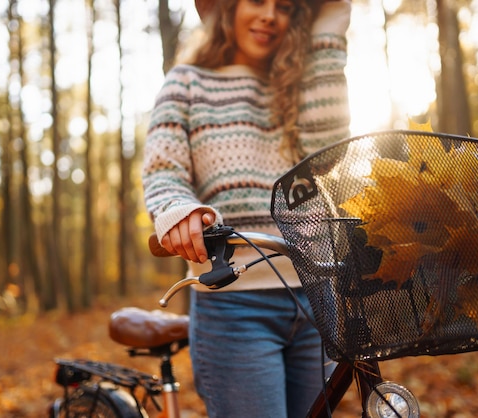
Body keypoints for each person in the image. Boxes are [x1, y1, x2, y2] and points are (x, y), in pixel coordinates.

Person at [143, 0, 351, 416]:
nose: (270, 15)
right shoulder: (186, 83)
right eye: (257, 1)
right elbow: (164, 172)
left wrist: (329, 29)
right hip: (234, 301)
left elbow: (330, 158)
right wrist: (179, 211)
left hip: (316, 296)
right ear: (228, 7)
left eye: (287, 6)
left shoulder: (297, 86)